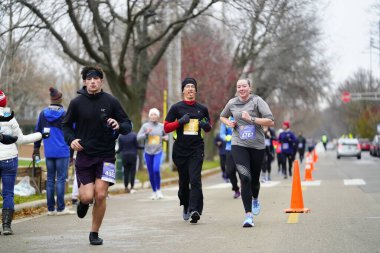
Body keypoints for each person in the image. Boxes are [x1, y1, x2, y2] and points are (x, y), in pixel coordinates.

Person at [62, 66, 132, 245]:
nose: (93, 81)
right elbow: (66, 125)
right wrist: (71, 140)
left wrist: (118, 124)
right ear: (85, 82)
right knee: (86, 196)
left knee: (100, 195)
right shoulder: (76, 103)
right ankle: (83, 203)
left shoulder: (111, 101)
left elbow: (127, 124)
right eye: (89, 79)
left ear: (101, 81)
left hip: (107, 156)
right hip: (85, 155)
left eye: (96, 78)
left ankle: (94, 233)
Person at [220, 79, 274, 228]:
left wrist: (251, 119)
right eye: (239, 86)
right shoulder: (232, 103)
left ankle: (255, 198)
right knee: (245, 178)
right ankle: (248, 216)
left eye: (244, 86)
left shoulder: (257, 101)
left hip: (257, 145)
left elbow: (270, 121)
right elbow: (222, 116)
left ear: (250, 88)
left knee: (255, 180)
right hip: (239, 144)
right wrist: (228, 123)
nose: (241, 88)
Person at [0, 90, 48, 235]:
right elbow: (21, 139)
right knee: (8, 193)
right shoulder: (10, 118)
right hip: (9, 158)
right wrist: (41, 134)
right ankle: (6, 226)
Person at [164, 77, 211, 224]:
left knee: (195, 179)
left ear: (196, 90)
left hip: (196, 149)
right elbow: (166, 128)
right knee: (184, 182)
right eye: (187, 86)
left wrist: (204, 125)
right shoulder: (176, 108)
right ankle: (185, 204)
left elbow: (208, 127)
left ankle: (195, 210)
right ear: (183, 90)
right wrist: (179, 122)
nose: (190, 89)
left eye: (192, 86)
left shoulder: (202, 109)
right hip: (180, 150)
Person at [33, 87, 74, 216]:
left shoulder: (43, 114)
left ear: (51, 99)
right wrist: (72, 154)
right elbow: (72, 133)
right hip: (62, 151)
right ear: (60, 99)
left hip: (49, 152)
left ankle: (50, 209)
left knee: (50, 179)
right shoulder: (65, 114)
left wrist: (36, 148)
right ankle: (61, 208)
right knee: (61, 179)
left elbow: (37, 132)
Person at [137, 108, 168, 199]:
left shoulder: (161, 126)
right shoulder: (145, 126)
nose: (153, 116)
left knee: (156, 170)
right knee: (151, 173)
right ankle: (154, 191)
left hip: (158, 151)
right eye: (152, 115)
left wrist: (165, 138)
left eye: (155, 115)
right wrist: (146, 134)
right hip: (148, 152)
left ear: (158, 116)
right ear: (149, 116)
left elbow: (166, 136)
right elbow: (138, 138)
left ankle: (159, 190)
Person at [220, 117, 240, 198]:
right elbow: (222, 134)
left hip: (242, 148)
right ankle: (236, 189)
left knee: (242, 171)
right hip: (230, 148)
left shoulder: (242, 117)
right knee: (230, 171)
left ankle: (246, 189)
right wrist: (227, 137)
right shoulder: (226, 120)